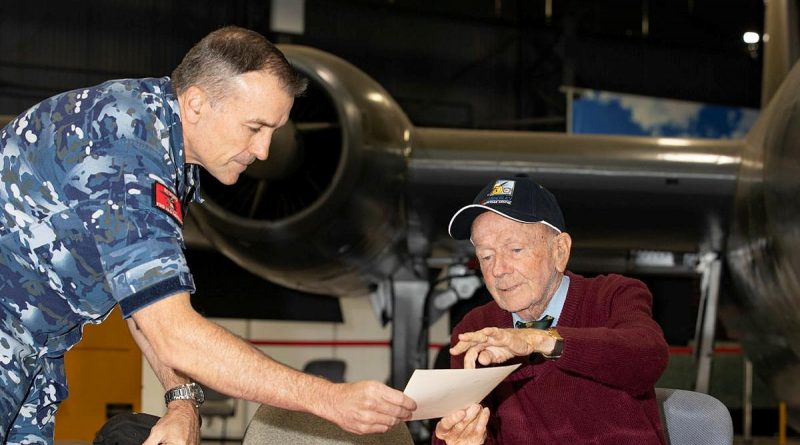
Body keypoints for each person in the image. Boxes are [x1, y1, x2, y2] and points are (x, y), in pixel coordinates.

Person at [0, 26, 415, 445]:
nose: (264, 152)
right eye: (255, 127)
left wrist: (181, 400)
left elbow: (145, 305)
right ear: (197, 103)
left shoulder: (163, 146)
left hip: (30, 353)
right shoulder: (127, 154)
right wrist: (330, 400)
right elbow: (174, 334)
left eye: (274, 130)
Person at [432, 176, 669, 445]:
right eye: (486, 256)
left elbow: (648, 359)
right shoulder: (475, 328)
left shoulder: (613, 295)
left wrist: (539, 340)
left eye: (515, 249)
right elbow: (456, 432)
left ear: (560, 251)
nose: (498, 270)